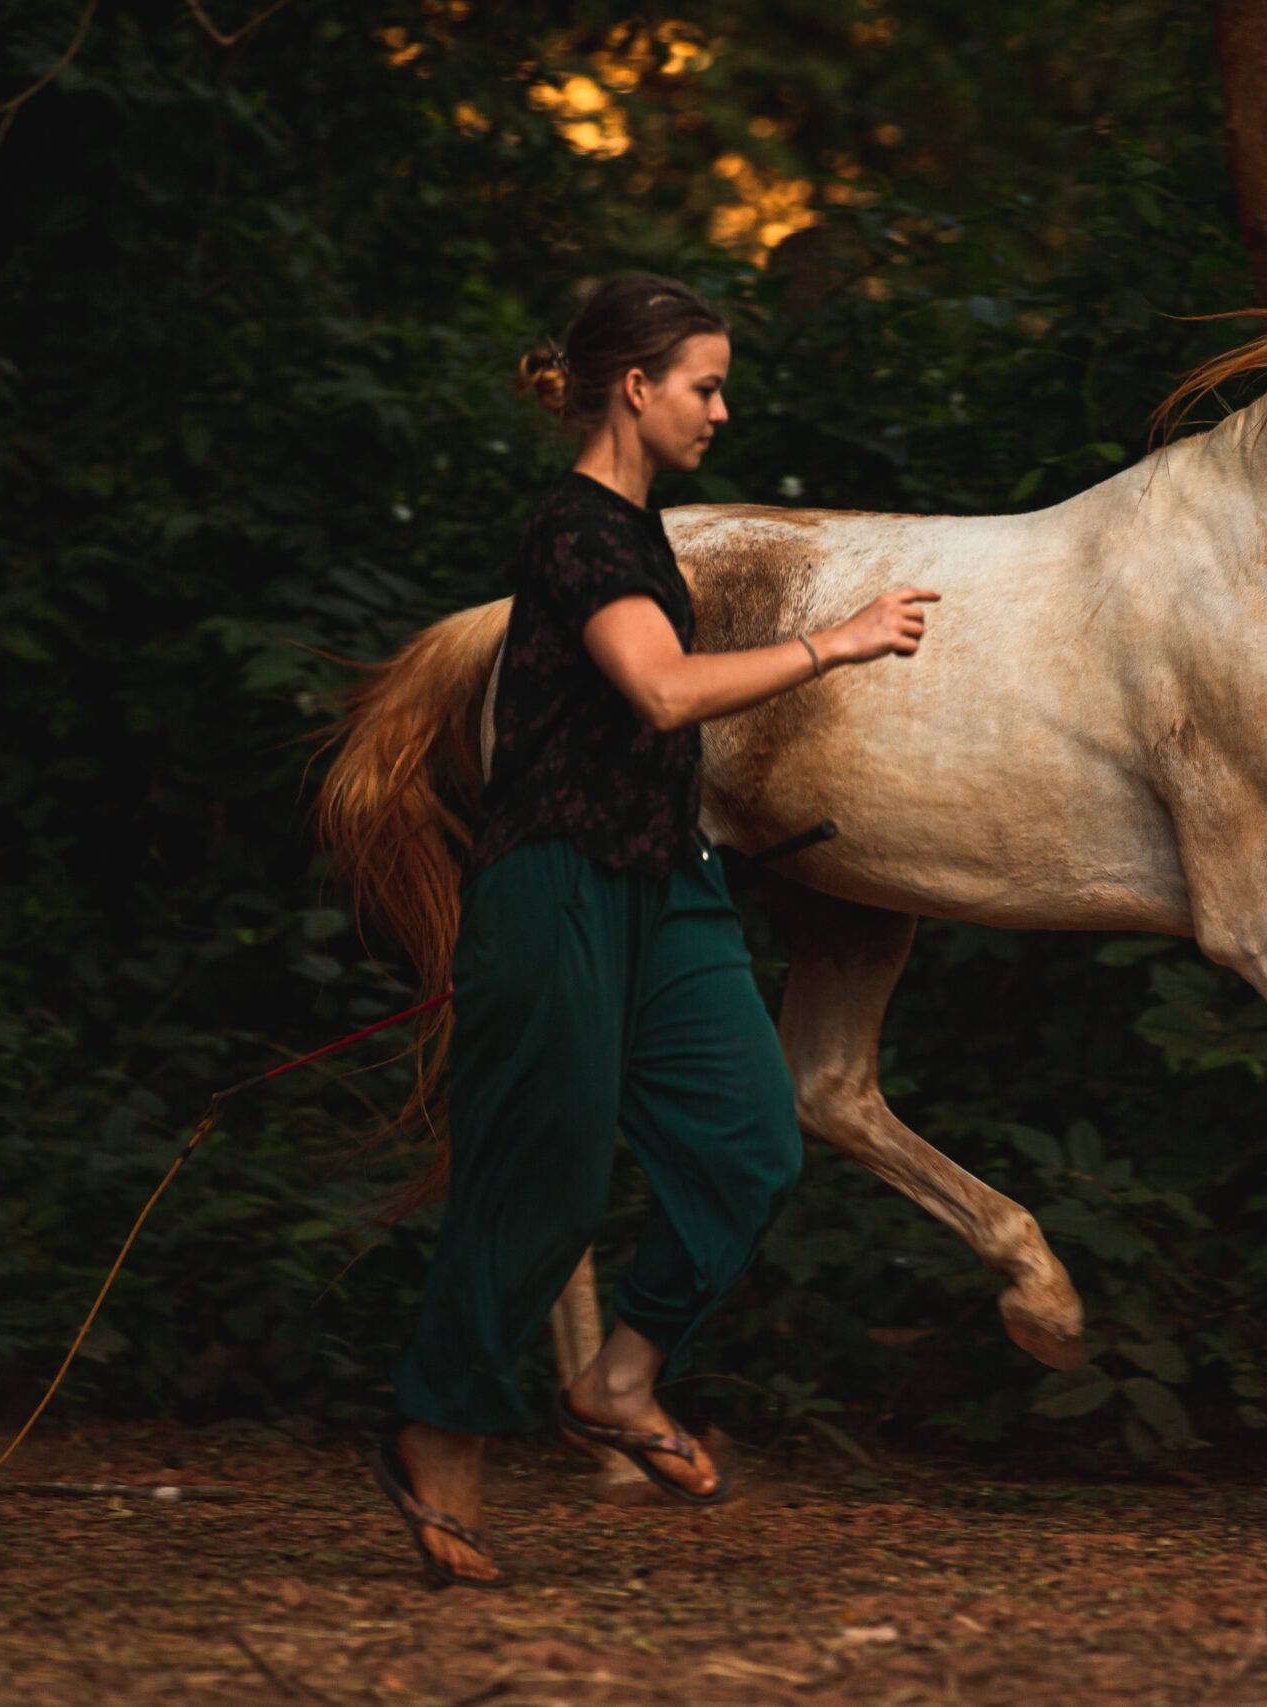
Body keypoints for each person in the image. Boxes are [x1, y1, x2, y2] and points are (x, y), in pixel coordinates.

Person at [368, 274, 939, 1588]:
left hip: (668, 885)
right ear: (635, 387)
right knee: (545, 1181)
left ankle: (621, 1380)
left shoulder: (641, 533)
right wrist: (836, 643)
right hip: (556, 882)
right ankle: (435, 1431)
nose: (722, 410)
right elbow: (663, 689)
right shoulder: (576, 531)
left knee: (750, 1142)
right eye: (705, 384)